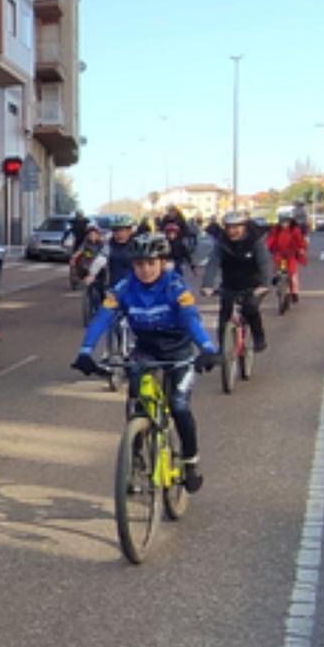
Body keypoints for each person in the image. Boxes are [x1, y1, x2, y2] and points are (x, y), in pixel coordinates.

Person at [73, 232, 219, 490]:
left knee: (179, 406)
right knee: (136, 401)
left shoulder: (175, 287)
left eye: (151, 263)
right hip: (146, 349)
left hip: (178, 351)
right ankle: (136, 452)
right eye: (139, 264)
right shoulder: (123, 289)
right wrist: (85, 351)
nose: (145, 269)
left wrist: (207, 348)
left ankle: (190, 461)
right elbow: (102, 319)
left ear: (162, 263)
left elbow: (191, 320)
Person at [204, 210, 276, 351]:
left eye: (236, 227)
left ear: (244, 226)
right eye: (229, 227)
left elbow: (264, 263)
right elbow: (213, 263)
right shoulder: (222, 243)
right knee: (224, 315)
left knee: (250, 308)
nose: (232, 231)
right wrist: (207, 285)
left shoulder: (255, 242)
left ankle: (259, 338)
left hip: (253, 285)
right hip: (230, 284)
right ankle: (223, 349)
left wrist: (264, 284)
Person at [266, 214, 308, 301]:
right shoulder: (276, 231)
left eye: (286, 222)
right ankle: (278, 284)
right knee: (278, 270)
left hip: (291, 254)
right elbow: (270, 240)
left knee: (292, 274)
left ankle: (294, 292)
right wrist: (266, 248)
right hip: (279, 254)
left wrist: (301, 249)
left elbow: (300, 241)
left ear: (290, 222)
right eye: (282, 222)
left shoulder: (295, 230)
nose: (284, 224)